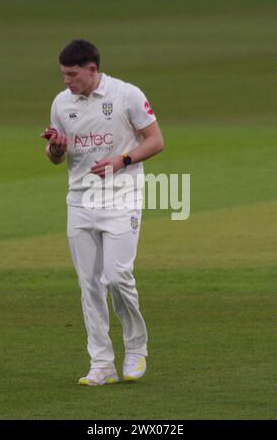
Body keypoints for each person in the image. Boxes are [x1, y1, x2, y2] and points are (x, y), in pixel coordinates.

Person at [41, 40, 164, 386]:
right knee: (89, 286)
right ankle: (102, 364)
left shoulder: (125, 94)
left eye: (72, 74)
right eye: (64, 74)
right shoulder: (61, 103)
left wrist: (122, 160)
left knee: (116, 276)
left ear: (92, 70)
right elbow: (56, 157)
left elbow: (156, 140)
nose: (66, 81)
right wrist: (55, 148)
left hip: (122, 197)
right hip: (79, 202)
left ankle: (136, 347)